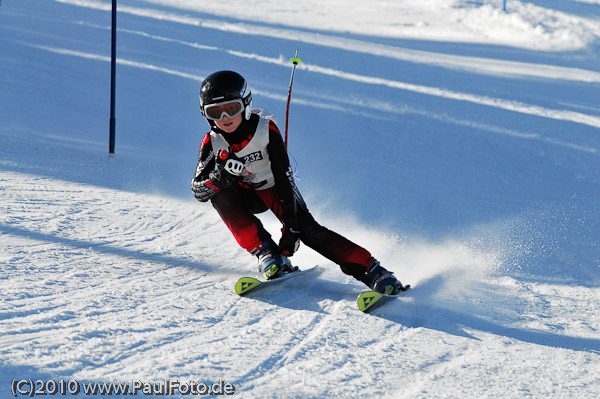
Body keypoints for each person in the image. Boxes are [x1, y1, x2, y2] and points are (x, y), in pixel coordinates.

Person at [191, 70, 407, 294]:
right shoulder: (211, 142)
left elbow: (285, 178)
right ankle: (266, 253)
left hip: (274, 188)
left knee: (310, 232)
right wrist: (217, 179)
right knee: (217, 193)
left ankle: (374, 272)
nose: (225, 118)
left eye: (232, 108)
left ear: (245, 104)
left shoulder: (265, 130)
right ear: (205, 115)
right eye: (215, 112)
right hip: (244, 195)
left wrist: (291, 227)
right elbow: (198, 190)